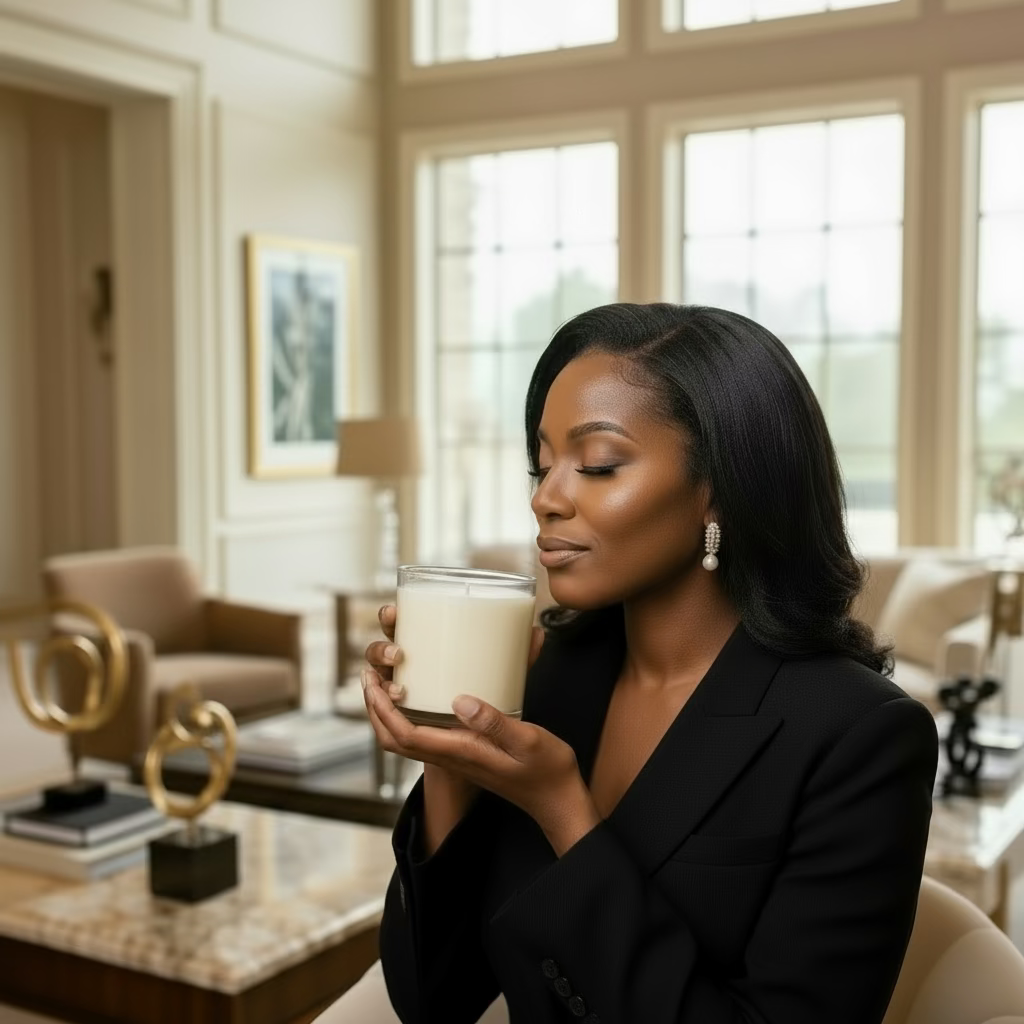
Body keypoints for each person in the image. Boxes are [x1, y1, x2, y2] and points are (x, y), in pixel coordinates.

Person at [361, 303, 939, 1024]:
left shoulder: (860, 736)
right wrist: (450, 752)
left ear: (720, 487)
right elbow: (433, 998)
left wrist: (565, 812)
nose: (545, 498)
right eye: (542, 465)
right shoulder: (546, 680)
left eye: (597, 465)